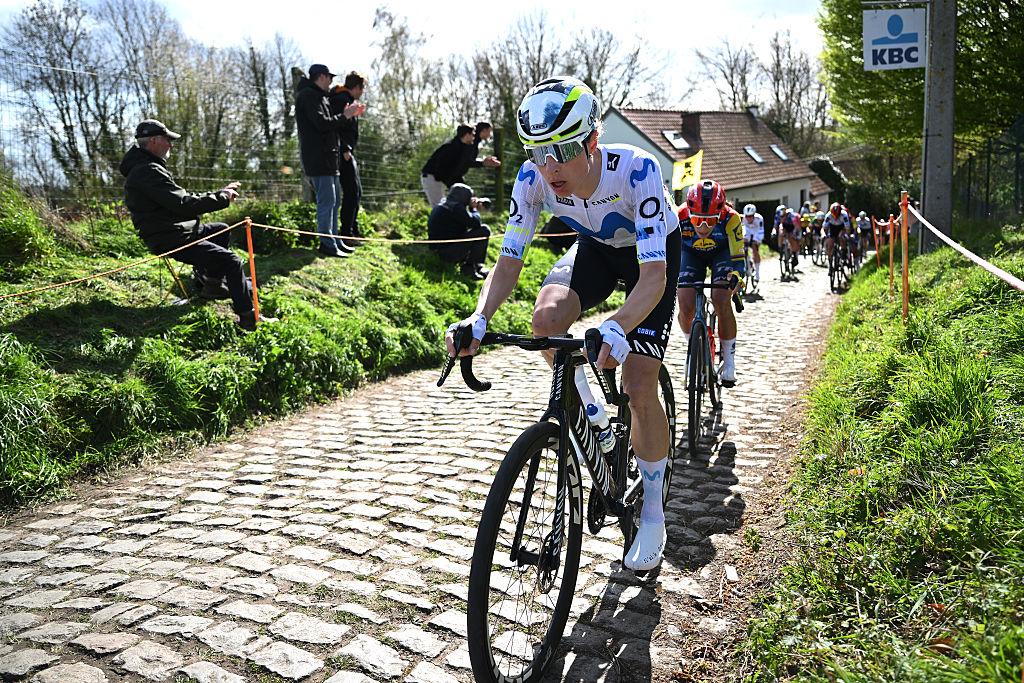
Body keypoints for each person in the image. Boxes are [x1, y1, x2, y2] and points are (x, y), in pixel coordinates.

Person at [445, 77, 681, 572]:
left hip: (649, 259)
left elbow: (655, 276)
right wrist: (480, 317)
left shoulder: (637, 171)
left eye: (562, 150)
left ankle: (654, 512)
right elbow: (507, 262)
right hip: (596, 250)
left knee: (639, 382)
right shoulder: (531, 179)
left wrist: (617, 325)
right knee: (546, 318)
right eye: (536, 152)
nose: (548, 167)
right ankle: (593, 412)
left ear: (591, 141)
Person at [119, 119, 276, 331]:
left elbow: (180, 200)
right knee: (232, 261)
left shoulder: (147, 167)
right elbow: (183, 204)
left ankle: (212, 286)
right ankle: (249, 319)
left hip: (174, 230)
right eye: (168, 140)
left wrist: (220, 194)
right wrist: (222, 198)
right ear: (155, 141)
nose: (171, 145)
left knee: (220, 229)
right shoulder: (147, 171)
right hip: (170, 238)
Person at [677, 181, 744, 386]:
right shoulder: (678, 216)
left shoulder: (732, 218)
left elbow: (738, 258)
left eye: (710, 221)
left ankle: (729, 361)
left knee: (721, 300)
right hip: (690, 254)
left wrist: (736, 277)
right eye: (697, 219)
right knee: (686, 305)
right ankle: (692, 350)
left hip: (721, 254)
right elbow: (667, 251)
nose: (703, 227)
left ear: (720, 214)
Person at [295, 63, 362, 258]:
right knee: (327, 201)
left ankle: (334, 241)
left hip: (330, 159)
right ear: (321, 77)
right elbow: (322, 124)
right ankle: (327, 243)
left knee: (335, 200)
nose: (332, 81)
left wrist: (346, 117)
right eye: (329, 77)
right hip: (319, 158)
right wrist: (346, 115)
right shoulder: (308, 96)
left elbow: (330, 124)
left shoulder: (321, 97)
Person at [421, 121, 501, 206]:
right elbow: (451, 166)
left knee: (449, 207)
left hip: (442, 178)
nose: (473, 138)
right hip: (432, 177)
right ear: (467, 135)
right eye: (472, 135)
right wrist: (454, 184)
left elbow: (463, 163)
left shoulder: (463, 145)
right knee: (439, 208)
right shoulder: (452, 147)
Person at [329, 72, 368, 250]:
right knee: (351, 191)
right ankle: (346, 232)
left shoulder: (347, 99)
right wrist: (345, 148)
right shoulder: (341, 99)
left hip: (347, 151)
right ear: (357, 87)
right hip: (342, 153)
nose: (363, 91)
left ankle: (353, 229)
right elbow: (337, 125)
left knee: (356, 191)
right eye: (363, 88)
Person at [427, 183, 491, 280]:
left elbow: (465, 221)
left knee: (470, 232)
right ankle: (468, 268)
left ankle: (477, 266)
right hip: (446, 252)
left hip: (439, 249)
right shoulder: (456, 208)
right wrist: (473, 208)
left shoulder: (444, 204)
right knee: (484, 230)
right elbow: (476, 223)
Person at [741, 203, 763, 281]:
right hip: (747, 232)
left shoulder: (759, 218)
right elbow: (742, 229)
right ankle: (747, 261)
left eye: (751, 216)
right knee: (742, 247)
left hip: (756, 233)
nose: (749, 218)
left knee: (755, 249)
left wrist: (758, 241)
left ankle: (757, 272)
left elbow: (760, 231)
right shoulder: (743, 218)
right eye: (747, 216)